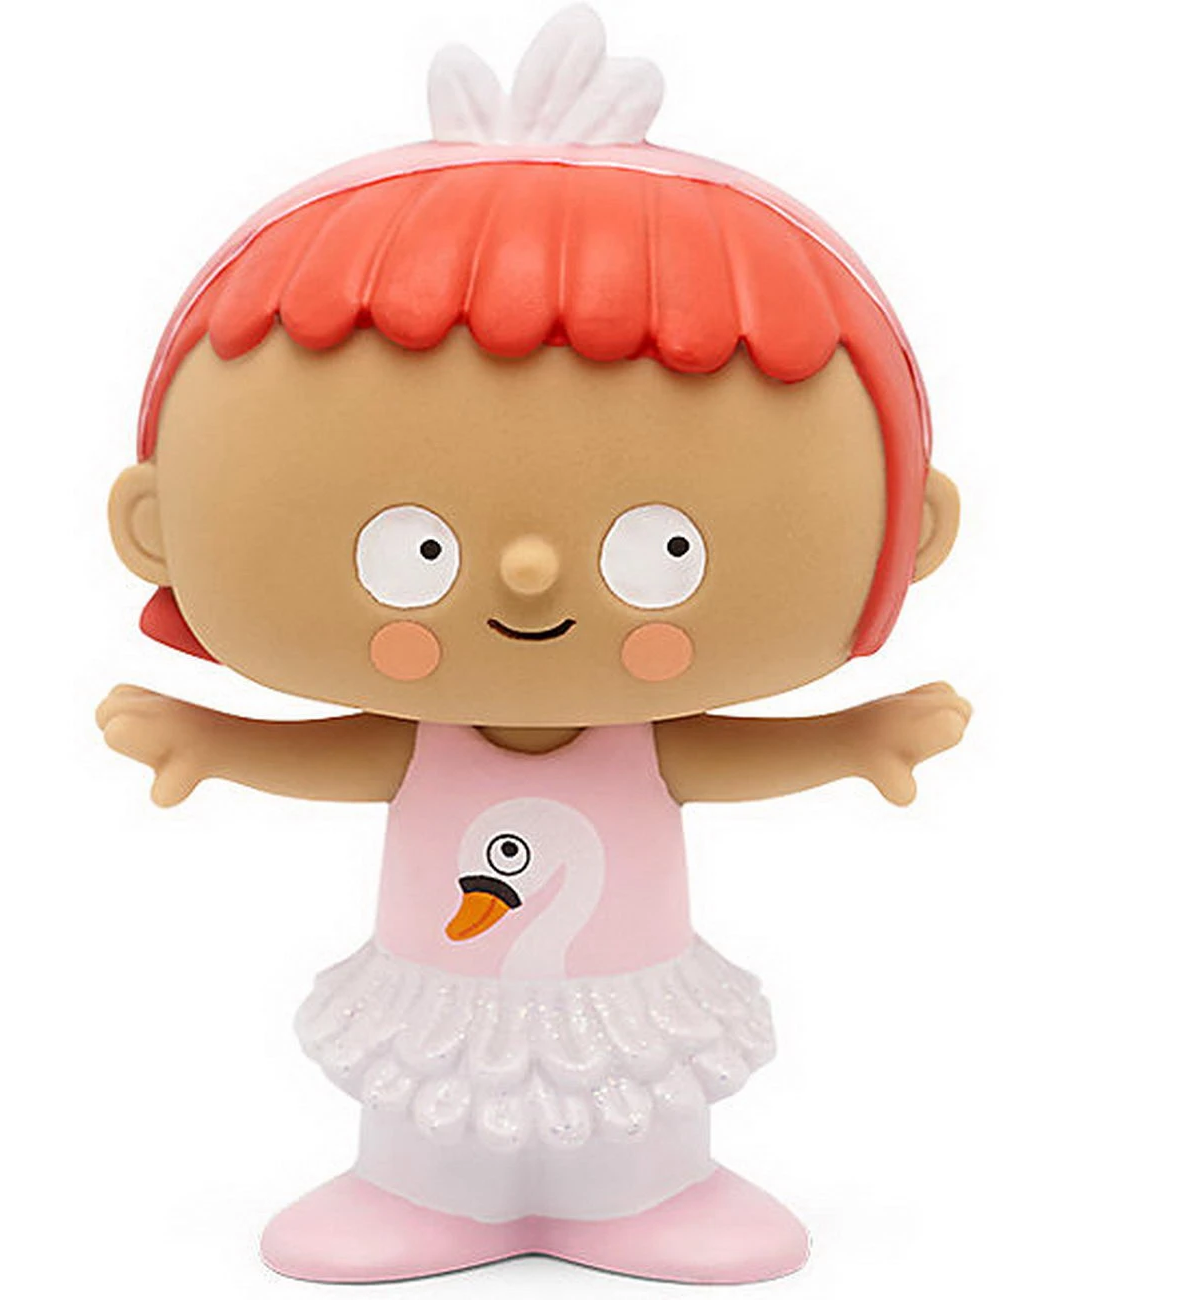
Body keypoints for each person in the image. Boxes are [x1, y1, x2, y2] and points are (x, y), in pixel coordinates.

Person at [98, 6, 969, 1284]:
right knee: (428, 1096)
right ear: (153, 526)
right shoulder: (434, 737)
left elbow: (701, 761)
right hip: (438, 982)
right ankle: (420, 1187)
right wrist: (212, 740)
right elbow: (363, 759)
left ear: (912, 525)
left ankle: (648, 1188)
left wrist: (854, 738)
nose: (524, 578)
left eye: (662, 550)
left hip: (626, 982)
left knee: (637, 1102)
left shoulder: (633, 743)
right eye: (412, 552)